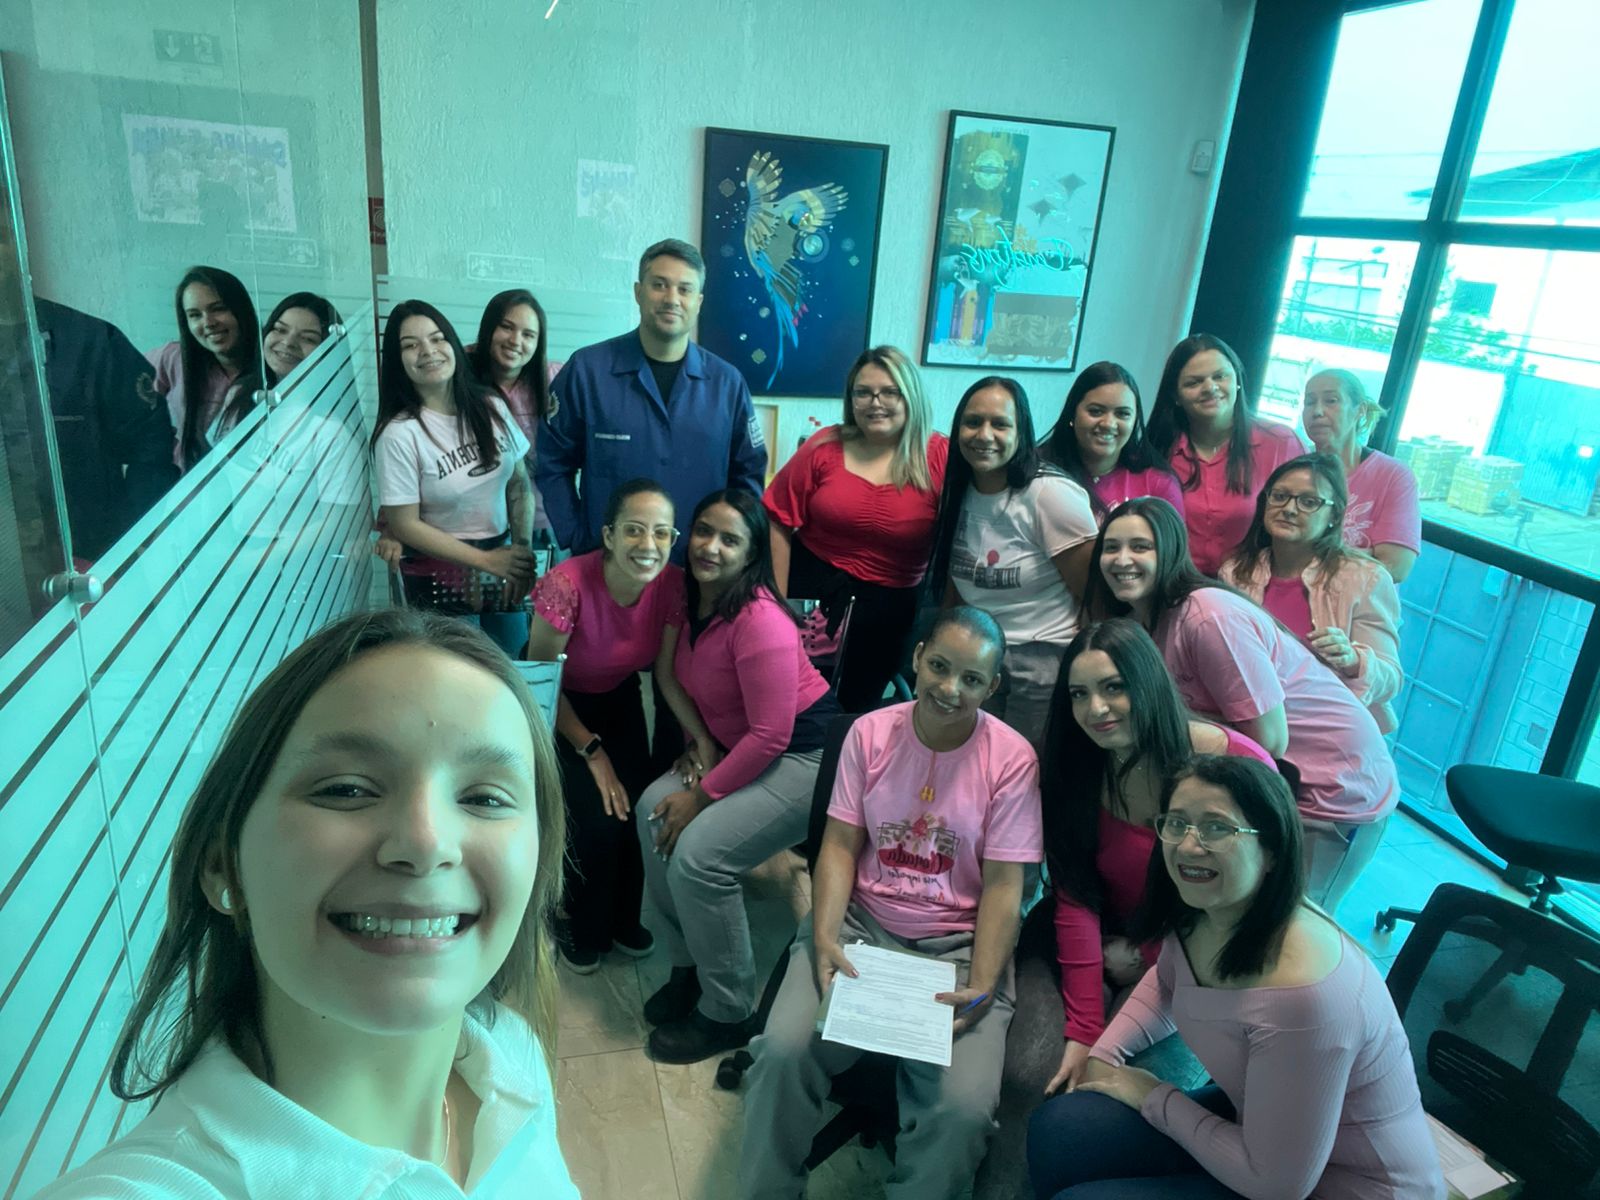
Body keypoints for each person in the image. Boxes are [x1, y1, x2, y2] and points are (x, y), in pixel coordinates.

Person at [37, 609, 579, 1197]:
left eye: (485, 798)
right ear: (223, 865)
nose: (426, 844)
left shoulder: (512, 1061)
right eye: (346, 789)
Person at [1027, 755, 1445, 1200]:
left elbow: (1278, 1185)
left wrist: (1155, 1097)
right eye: (1177, 823)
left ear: (1271, 850)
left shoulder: (1305, 994)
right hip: (1264, 1134)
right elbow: (1168, 980)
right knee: (1060, 1129)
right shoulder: (1202, 906)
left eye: (1216, 828)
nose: (1189, 846)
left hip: (1341, 1186)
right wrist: (1106, 1054)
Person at [739, 606, 1041, 1200]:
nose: (950, 689)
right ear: (918, 657)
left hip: (958, 947)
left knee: (963, 1110)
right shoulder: (870, 733)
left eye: (971, 679)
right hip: (862, 926)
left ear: (992, 687)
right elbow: (839, 845)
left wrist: (982, 984)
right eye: (940, 667)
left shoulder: (1012, 759)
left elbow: (1005, 888)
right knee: (780, 1054)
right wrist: (824, 937)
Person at [1088, 497, 1397, 912]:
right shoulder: (1140, 625)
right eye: (1111, 547)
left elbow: (1267, 742)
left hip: (1331, 789)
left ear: (1172, 550)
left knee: (1286, 919)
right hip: (1270, 782)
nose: (1122, 559)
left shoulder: (1207, 617)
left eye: (1141, 546)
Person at [633, 489, 838, 1064]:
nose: (711, 547)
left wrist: (701, 797)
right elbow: (670, 678)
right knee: (652, 809)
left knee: (700, 856)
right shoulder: (688, 596)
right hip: (738, 747)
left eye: (730, 539)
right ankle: (690, 965)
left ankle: (729, 1011)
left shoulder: (760, 619)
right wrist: (700, 745)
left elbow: (772, 733)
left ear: (752, 554)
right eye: (704, 531)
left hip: (806, 757)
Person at [1041, 618, 1274, 1097]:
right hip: (1097, 939)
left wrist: (1148, 954)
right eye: (1079, 694)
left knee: (1114, 1100)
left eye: (1114, 687)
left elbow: (1251, 910)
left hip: (1197, 965)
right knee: (1037, 1070)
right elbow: (1074, 892)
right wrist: (1084, 1027)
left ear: (1147, 683)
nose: (1095, 709)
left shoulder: (1236, 767)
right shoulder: (1077, 763)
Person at [526, 478, 684, 972]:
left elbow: (665, 676)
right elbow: (542, 683)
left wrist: (700, 738)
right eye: (634, 530)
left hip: (618, 697)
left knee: (637, 809)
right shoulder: (565, 586)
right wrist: (593, 753)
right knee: (595, 816)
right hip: (558, 704)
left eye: (661, 533)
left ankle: (621, 919)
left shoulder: (672, 585)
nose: (648, 544)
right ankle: (579, 924)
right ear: (609, 535)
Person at [535, 239, 768, 559]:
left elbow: (748, 477)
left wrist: (729, 548)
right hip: (609, 567)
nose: (672, 299)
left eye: (685, 289)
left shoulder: (727, 385)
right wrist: (576, 535)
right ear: (638, 291)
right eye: (659, 285)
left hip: (697, 568)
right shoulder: (588, 371)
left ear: (698, 301)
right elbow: (551, 462)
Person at [765, 345, 948, 710]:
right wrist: (777, 605)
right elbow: (777, 518)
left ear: (910, 395)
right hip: (810, 592)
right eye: (863, 392)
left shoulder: (940, 456)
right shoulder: (824, 446)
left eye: (889, 392)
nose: (875, 403)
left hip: (887, 611)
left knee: (853, 711)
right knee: (788, 698)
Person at [925, 376, 1098, 747]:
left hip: (1044, 661)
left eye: (1000, 424)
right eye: (973, 422)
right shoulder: (958, 489)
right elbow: (956, 585)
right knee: (971, 758)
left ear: (1021, 432)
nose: (984, 435)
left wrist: (1089, 671)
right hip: (979, 657)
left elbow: (1096, 595)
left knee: (1026, 767)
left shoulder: (1049, 495)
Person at [372, 300, 535, 657]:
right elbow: (404, 524)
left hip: (501, 558)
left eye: (437, 338)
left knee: (513, 661)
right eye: (411, 345)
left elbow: (519, 483)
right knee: (460, 672)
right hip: (439, 576)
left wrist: (520, 550)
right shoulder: (399, 434)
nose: (428, 351)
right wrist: (487, 562)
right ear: (397, 361)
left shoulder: (491, 406)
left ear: (453, 345)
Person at [1220, 454, 1403, 734]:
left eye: (1308, 502)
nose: (1289, 509)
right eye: (1279, 496)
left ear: (1334, 515)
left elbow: (1391, 678)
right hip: (1255, 722)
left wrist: (1354, 661)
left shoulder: (1366, 578)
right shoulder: (1234, 572)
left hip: (1332, 729)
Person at [1145, 334, 1303, 576]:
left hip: (1251, 587)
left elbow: (1304, 525)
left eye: (1220, 376)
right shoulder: (1157, 448)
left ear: (1237, 379)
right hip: (1171, 584)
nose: (1210, 388)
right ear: (1176, 396)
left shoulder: (1281, 442)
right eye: (1194, 382)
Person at [1302, 369, 1421, 582]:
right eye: (1310, 402)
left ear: (1360, 410)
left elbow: (1395, 566)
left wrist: (1305, 555)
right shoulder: (1293, 466)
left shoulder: (1393, 476)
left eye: (1331, 401)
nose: (1317, 411)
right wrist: (1364, 555)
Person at [468, 288, 563, 545]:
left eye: (528, 334)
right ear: (489, 328)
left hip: (543, 523)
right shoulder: (459, 372)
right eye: (506, 327)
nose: (515, 340)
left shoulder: (555, 379)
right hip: (475, 527)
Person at [148, 266, 262, 471]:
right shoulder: (173, 358)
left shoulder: (270, 366)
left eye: (218, 308)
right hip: (185, 485)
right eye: (195, 315)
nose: (208, 322)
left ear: (241, 310)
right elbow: (132, 408)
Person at [1043, 360, 1184, 522]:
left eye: (1122, 414)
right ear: (1072, 414)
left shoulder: (1159, 483)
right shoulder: (1036, 472)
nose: (1108, 424)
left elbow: (1174, 539)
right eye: (1096, 411)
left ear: (1135, 421)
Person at [209, 292, 344, 443]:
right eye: (280, 330)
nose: (288, 342)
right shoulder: (240, 393)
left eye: (308, 338)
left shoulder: (331, 432)